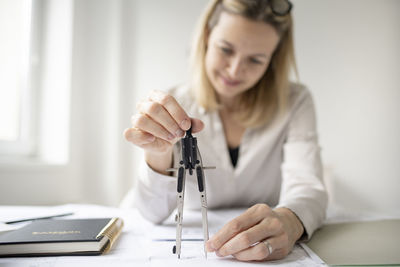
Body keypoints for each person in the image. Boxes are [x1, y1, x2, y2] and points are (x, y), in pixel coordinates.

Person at [123, 0, 327, 262]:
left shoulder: (296, 102)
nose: (234, 70)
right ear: (207, 37)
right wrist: (159, 154)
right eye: (226, 49)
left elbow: (307, 186)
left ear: (272, 59)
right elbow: (152, 213)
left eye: (255, 59)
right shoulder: (172, 105)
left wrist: (290, 220)